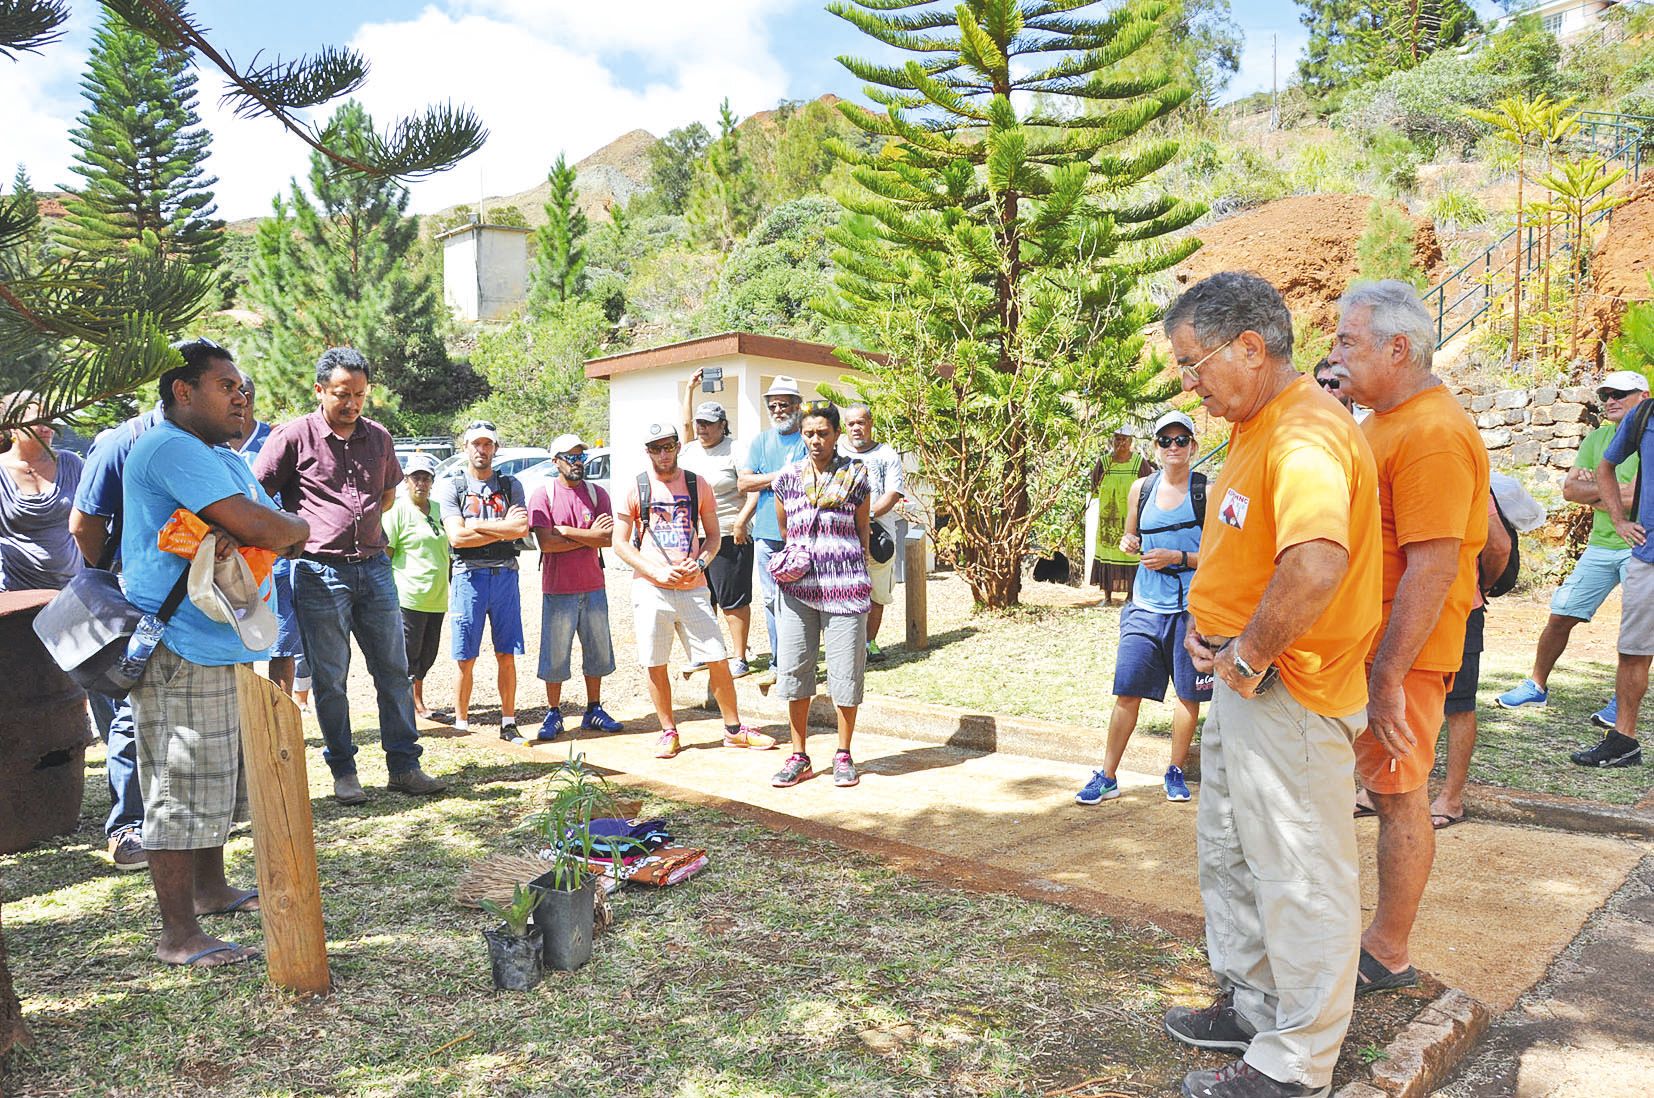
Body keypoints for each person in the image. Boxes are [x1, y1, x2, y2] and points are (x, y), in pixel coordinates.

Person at [1161, 272, 1381, 1098]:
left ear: (1251, 348)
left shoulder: (1304, 433)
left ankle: (1297, 1064)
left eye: (1195, 363)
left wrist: (1248, 654)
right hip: (1250, 689)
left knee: (1299, 875)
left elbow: (1317, 560)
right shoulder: (1261, 425)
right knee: (1237, 855)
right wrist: (1211, 622)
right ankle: (1258, 1009)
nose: (1189, 383)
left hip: (1286, 691)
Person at [121, 339, 310, 967]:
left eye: (243, 386)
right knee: (180, 786)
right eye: (226, 385)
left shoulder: (214, 453)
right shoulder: (171, 446)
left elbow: (260, 519)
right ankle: (178, 935)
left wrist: (271, 525)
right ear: (183, 391)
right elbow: (266, 526)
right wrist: (291, 529)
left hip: (216, 640)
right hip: (181, 644)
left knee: (216, 780)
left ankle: (209, 891)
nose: (241, 396)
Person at [1331, 280, 1489, 996]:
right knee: (1377, 788)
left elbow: (1436, 561)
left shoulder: (1430, 430)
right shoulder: (1385, 418)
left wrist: (1389, 672)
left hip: (1407, 655)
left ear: (1398, 348)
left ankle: (1387, 951)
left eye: (1346, 341)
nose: (1333, 355)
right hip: (1371, 646)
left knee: (1398, 794)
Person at [254, 347, 446, 805]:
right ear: (320, 390)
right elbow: (256, 493)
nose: (352, 403)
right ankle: (344, 770)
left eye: (360, 394)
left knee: (394, 672)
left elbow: (385, 495)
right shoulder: (293, 437)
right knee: (329, 678)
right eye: (342, 394)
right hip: (319, 572)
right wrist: (293, 533)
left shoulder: (378, 437)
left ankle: (404, 765)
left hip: (376, 569)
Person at [613, 422, 773, 759]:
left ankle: (733, 729)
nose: (663, 453)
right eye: (656, 448)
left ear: (676, 446)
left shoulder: (696, 483)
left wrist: (699, 564)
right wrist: (655, 570)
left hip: (693, 586)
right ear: (648, 451)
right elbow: (620, 543)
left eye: (669, 446)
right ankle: (668, 730)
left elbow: (714, 535)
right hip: (650, 588)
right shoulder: (637, 487)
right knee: (655, 661)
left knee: (717, 657)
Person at [1076, 410, 1210, 807]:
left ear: (1192, 446)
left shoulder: (1207, 491)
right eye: (1165, 441)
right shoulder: (1141, 489)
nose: (1173, 447)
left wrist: (1179, 557)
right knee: (1127, 690)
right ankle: (1107, 774)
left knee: (1188, 695)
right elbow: (1128, 536)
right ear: (1155, 447)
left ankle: (1174, 771)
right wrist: (1130, 545)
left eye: (1181, 440)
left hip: (1192, 608)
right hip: (1144, 605)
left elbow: (1220, 557)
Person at [1497, 370, 1646, 726]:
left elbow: (1638, 496)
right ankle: (1536, 686)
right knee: (1561, 614)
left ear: (1644, 396)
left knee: (1633, 631)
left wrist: (1595, 489)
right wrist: (1613, 494)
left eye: (1621, 393)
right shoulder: (1597, 438)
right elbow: (1570, 491)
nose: (1610, 399)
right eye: (1606, 393)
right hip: (1601, 545)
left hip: (1641, 545)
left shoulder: (1650, 439)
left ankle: (1621, 705)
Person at [70, 402, 164, 872]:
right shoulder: (118, 442)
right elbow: (84, 524)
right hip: (132, 598)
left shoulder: (198, 440)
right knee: (129, 708)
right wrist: (115, 580)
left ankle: (177, 816)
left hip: (187, 597)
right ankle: (126, 827)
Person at [770, 402, 872, 788]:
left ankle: (843, 754)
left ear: (836, 435)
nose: (816, 440)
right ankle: (799, 755)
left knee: (845, 674)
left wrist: (849, 563)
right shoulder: (786, 479)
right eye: (809, 433)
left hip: (846, 589)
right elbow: (786, 531)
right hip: (798, 590)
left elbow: (862, 530)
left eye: (823, 433)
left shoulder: (856, 476)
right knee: (795, 672)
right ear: (802, 435)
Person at [526, 433, 623, 741]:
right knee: (555, 655)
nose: (578, 463)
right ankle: (554, 712)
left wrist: (566, 530)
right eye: (571, 457)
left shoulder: (597, 494)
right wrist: (585, 534)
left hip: (593, 585)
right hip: (558, 588)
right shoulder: (544, 495)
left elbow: (607, 539)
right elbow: (546, 544)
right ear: (556, 462)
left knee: (597, 651)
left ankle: (593, 708)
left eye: (581, 456)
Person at [438, 421, 529, 740]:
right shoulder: (453, 486)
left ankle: (508, 721)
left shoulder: (509, 485)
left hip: (505, 574)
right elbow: (457, 538)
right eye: (476, 444)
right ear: (465, 447)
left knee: (506, 652)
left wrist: (476, 526)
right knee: (465, 655)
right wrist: (500, 527)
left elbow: (521, 530)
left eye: (487, 444)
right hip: (467, 577)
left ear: (495, 448)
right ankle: (462, 723)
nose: (481, 450)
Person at [225, 371, 311, 704]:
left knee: (283, 642)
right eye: (231, 391)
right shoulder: (212, 440)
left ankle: (281, 713)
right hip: (233, 561)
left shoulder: (273, 439)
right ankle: (243, 716)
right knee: (239, 641)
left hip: (275, 561)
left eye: (245, 391)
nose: (240, 399)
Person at [1584, 372, 1654, 769]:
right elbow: (1606, 469)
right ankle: (1624, 740)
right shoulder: (1645, 415)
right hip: (1649, 555)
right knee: (1633, 651)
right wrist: (1619, 519)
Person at [680, 373, 756, 676]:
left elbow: (751, 489)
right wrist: (689, 389)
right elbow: (684, 427)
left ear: (722, 424)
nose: (703, 428)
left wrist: (741, 523)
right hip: (695, 536)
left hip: (728, 534)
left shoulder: (735, 449)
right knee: (701, 598)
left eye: (709, 423)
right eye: (700, 423)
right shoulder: (689, 450)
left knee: (732, 600)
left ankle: (739, 657)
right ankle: (707, 652)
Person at [737, 376, 808, 687]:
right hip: (766, 534)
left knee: (804, 598)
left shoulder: (809, 438)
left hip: (803, 534)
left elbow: (812, 478)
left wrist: (766, 478)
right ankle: (780, 662)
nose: (778, 410)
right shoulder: (761, 441)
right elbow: (743, 483)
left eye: (784, 404)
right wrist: (781, 475)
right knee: (770, 600)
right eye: (773, 405)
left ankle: (801, 661)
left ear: (797, 406)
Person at [382, 452, 450, 720]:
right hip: (408, 594)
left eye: (426, 478)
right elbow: (386, 553)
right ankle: (411, 704)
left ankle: (418, 699)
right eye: (415, 478)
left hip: (437, 596)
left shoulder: (437, 509)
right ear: (406, 481)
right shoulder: (397, 510)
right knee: (408, 655)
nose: (421, 483)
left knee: (428, 653)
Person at [841, 404, 907, 662]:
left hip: (880, 533)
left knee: (876, 591)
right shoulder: (836, 453)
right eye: (851, 424)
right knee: (845, 590)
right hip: (842, 533)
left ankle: (870, 643)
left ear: (871, 422)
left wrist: (865, 519)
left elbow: (892, 494)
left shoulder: (887, 454)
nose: (856, 428)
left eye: (861, 422)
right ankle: (849, 645)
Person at [1, 392, 85, 593]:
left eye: (50, 420)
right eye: (38, 421)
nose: (47, 427)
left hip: (69, 590)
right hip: (15, 591)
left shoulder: (71, 463)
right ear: (12, 426)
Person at [1088, 426, 1152, 604]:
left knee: (1130, 553)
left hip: (1130, 519)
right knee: (1107, 553)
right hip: (1108, 519)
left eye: (1125, 439)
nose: (1120, 443)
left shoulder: (1139, 463)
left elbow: (1148, 487)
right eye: (1117, 438)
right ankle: (1107, 597)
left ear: (1131, 442)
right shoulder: (1104, 463)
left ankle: (1130, 596)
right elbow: (1094, 487)